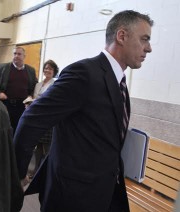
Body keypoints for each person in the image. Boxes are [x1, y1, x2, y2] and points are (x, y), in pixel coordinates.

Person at [14, 10, 153, 212]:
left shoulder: (118, 81)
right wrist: (17, 174)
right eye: (144, 39)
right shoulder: (84, 73)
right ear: (121, 36)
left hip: (104, 190)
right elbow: (31, 120)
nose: (148, 48)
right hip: (74, 196)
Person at [0, 46, 37, 134]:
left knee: (19, 130)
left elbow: (34, 85)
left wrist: (30, 95)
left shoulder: (31, 70)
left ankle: (15, 147)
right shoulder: (2, 67)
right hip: (6, 105)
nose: (16, 56)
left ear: (24, 56)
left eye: (19, 54)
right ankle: (3, 147)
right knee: (3, 129)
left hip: (23, 106)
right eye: (14, 54)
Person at [23, 60, 59, 176]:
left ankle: (44, 173)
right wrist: (29, 101)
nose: (47, 70)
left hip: (48, 119)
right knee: (37, 147)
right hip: (36, 118)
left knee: (47, 148)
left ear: (54, 71)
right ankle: (34, 172)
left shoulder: (55, 84)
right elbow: (34, 97)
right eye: (45, 68)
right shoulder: (38, 84)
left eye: (50, 68)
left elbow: (53, 101)